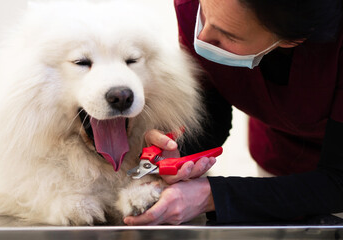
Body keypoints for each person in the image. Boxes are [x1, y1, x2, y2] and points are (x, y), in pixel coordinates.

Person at [124, 0, 343, 225]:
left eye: (229, 36)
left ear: (292, 39)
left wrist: (211, 197)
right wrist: (180, 149)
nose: (202, 36)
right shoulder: (192, 7)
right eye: (205, 15)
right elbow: (212, 111)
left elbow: (338, 182)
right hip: (279, 156)